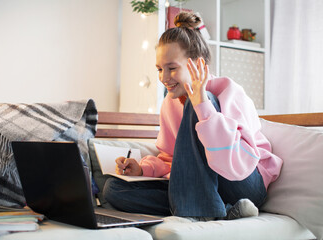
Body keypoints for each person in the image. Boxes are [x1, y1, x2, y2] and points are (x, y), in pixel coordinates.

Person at [103, 11, 283, 220]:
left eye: (172, 68)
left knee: (197, 99)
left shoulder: (228, 92)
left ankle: (200, 210)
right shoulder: (169, 104)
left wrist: (202, 105)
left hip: (246, 181)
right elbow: (175, 161)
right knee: (113, 190)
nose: (164, 77)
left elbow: (241, 162)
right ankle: (220, 209)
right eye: (159, 69)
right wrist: (142, 170)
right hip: (204, 189)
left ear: (197, 65)